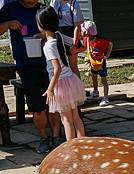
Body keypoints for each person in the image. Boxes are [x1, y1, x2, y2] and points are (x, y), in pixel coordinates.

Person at [0, 0, 62, 154]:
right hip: (26, 65)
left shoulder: (44, 9)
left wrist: (44, 35)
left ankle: (56, 137)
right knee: (37, 105)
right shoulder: (10, 8)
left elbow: (56, 29)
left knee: (54, 102)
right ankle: (43, 138)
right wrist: (8, 24)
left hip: (48, 64)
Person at [37, 7, 85, 141]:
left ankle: (71, 149)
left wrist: (50, 88)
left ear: (41, 25)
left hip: (61, 84)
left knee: (66, 120)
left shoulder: (48, 46)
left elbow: (56, 69)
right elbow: (74, 45)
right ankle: (82, 144)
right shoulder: (58, 36)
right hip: (71, 79)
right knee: (75, 117)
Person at [79, 20, 112, 107]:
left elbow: (110, 44)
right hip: (93, 63)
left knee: (103, 79)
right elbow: (85, 48)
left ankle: (106, 98)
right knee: (94, 77)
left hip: (101, 63)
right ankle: (95, 91)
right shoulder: (86, 40)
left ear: (87, 32)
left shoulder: (100, 41)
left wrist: (107, 55)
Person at [50, 0, 83, 76]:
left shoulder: (74, 3)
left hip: (70, 36)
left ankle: (78, 87)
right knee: (60, 66)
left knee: (73, 66)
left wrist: (74, 45)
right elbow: (50, 17)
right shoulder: (55, 2)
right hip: (57, 35)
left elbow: (77, 27)